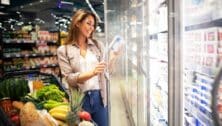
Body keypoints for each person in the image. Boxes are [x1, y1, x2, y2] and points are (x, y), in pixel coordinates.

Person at [57, 9, 108, 126]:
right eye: (88, 23)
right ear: (78, 23)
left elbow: (106, 70)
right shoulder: (63, 50)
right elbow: (69, 79)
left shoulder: (98, 45)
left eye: (93, 25)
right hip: (80, 101)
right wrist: (93, 72)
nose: (92, 27)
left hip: (100, 97)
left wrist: (114, 57)